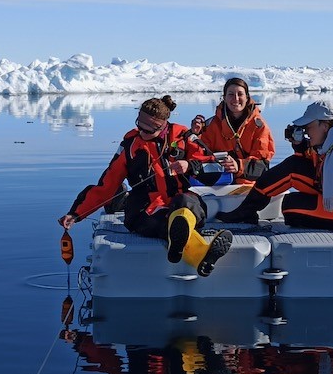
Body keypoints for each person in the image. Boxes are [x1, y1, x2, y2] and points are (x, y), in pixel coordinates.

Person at [58, 95, 233, 277]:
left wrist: (191, 166)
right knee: (164, 222)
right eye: (139, 125)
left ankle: (178, 235)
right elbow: (107, 186)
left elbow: (214, 167)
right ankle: (199, 253)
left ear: (163, 125)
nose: (142, 132)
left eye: (149, 130)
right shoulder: (130, 145)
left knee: (185, 204)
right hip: (144, 207)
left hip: (179, 198)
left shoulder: (184, 136)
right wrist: (76, 214)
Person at [216, 100, 333, 232]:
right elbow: (313, 161)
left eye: (309, 127)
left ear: (324, 125)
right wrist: (299, 145)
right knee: (293, 165)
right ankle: (246, 211)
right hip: (331, 187)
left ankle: (247, 211)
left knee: (290, 207)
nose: (306, 131)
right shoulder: (332, 139)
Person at [188, 77, 275, 186]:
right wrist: (194, 134)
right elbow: (196, 157)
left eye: (240, 94)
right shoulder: (211, 125)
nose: (236, 98)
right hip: (218, 183)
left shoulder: (259, 127)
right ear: (224, 98)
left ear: (247, 97)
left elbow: (262, 165)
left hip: (248, 185)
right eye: (231, 94)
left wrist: (239, 166)